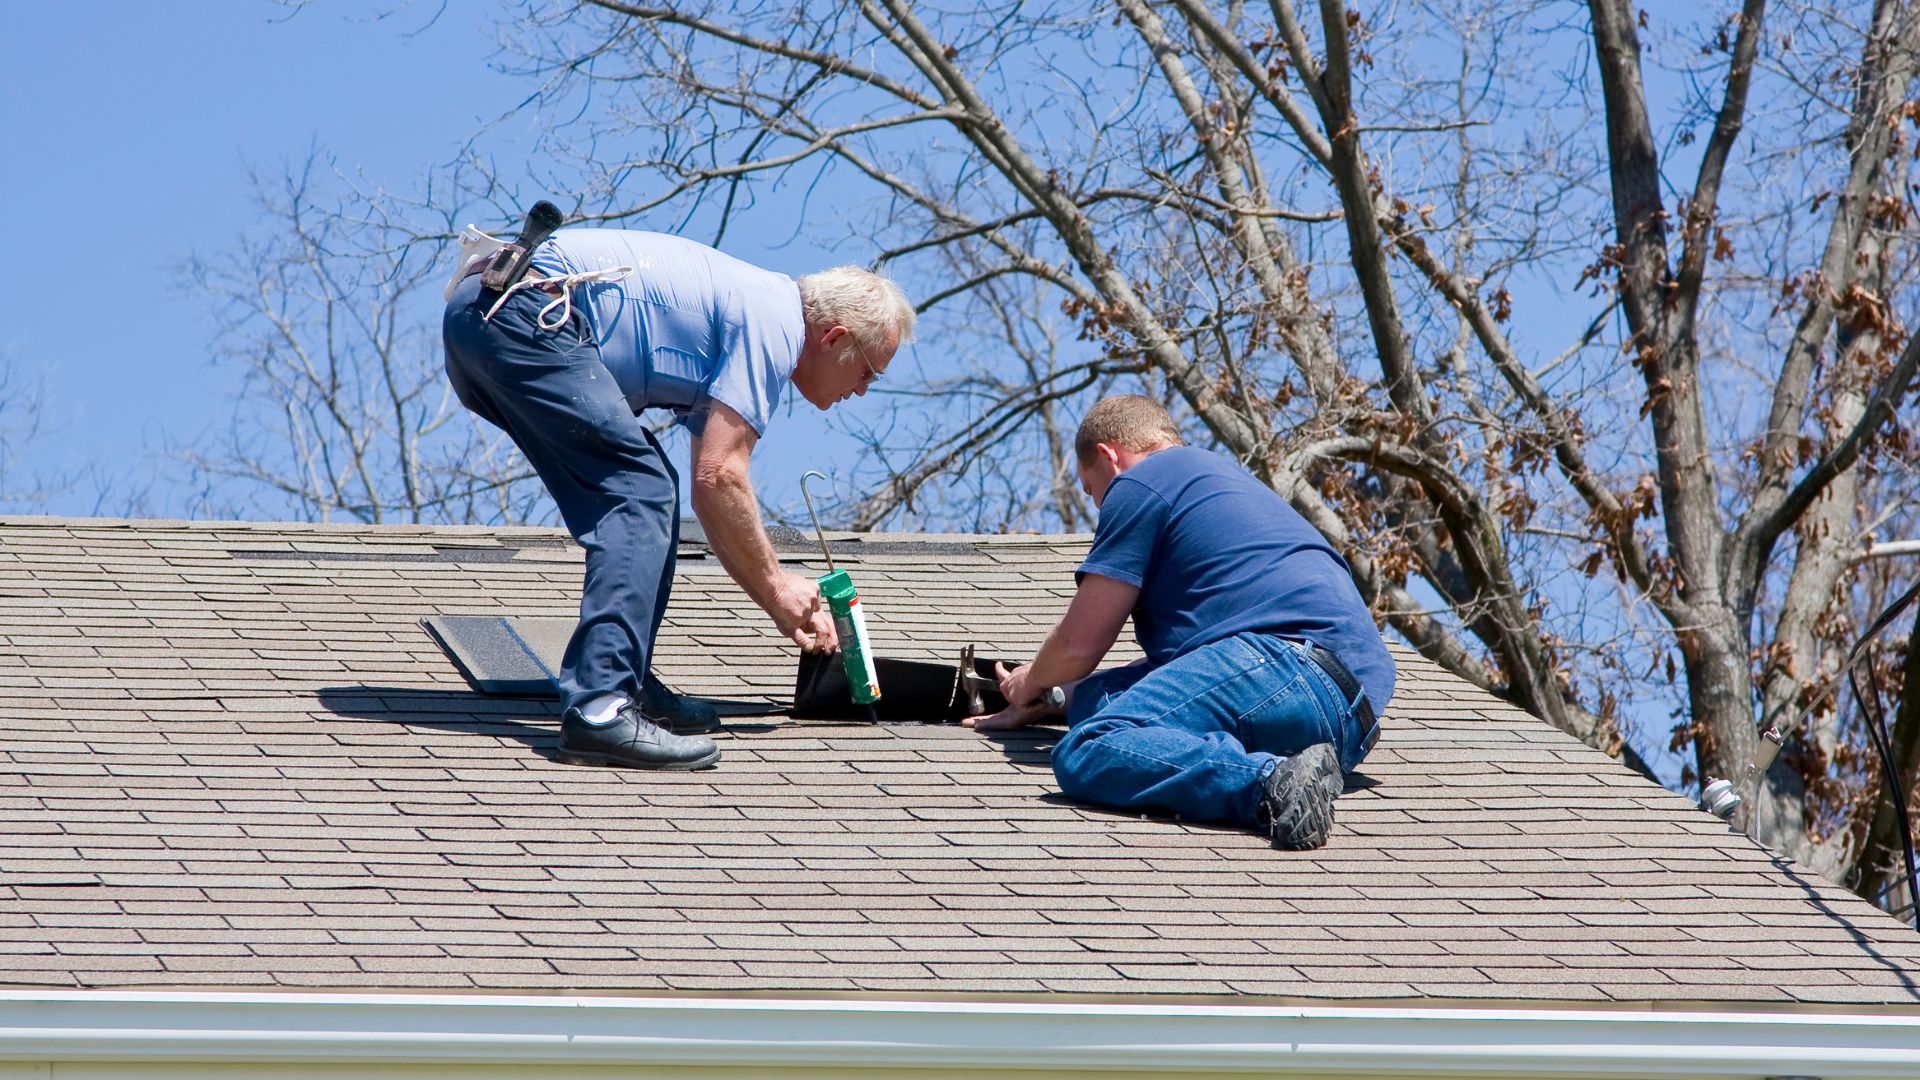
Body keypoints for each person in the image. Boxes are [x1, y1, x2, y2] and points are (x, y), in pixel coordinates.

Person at [443, 225, 914, 771]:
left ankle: (626, 681)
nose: (860, 389)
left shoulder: (749, 309)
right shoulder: (774, 324)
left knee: (651, 491)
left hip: (484, 316)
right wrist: (780, 586)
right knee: (639, 491)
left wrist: (775, 599)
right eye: (869, 372)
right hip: (525, 314)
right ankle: (600, 707)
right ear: (833, 339)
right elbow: (722, 477)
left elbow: (709, 494)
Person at [967, 395, 1393, 849]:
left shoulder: (1142, 481)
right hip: (1347, 723)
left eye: (1093, 491)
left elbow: (1079, 646)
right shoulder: (1220, 485)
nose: (1100, 507)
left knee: (1090, 746)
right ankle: (1295, 773)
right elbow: (1178, 679)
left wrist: (1030, 680)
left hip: (1283, 663)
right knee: (1103, 709)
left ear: (1110, 457)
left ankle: (1270, 781)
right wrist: (1056, 700)